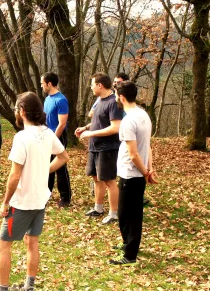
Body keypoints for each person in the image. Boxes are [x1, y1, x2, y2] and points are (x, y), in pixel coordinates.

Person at [0, 92, 69, 291]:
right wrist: (44, 170)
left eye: (18, 109)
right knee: (32, 241)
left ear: (23, 112)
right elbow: (63, 157)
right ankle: (28, 287)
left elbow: (14, 176)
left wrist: (5, 201)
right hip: (40, 200)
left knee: (2, 244)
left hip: (22, 203)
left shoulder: (22, 138)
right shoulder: (47, 133)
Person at [111, 82, 157, 265]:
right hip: (138, 173)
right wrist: (149, 169)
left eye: (116, 95)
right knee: (132, 214)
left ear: (121, 97)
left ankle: (129, 255)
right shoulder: (143, 114)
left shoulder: (129, 120)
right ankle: (128, 245)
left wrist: (146, 171)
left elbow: (134, 153)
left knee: (127, 216)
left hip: (131, 174)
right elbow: (148, 146)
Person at [75, 74, 123, 225]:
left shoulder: (113, 102)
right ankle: (98, 208)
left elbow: (115, 127)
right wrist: (85, 128)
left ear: (100, 85)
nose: (91, 87)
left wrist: (91, 133)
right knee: (96, 178)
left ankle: (114, 213)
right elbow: (99, 121)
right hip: (95, 147)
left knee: (109, 181)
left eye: (92, 84)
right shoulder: (99, 101)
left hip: (107, 147)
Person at [41, 72, 72, 207]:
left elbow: (62, 124)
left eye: (42, 83)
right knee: (47, 165)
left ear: (49, 84)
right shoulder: (47, 99)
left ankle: (65, 197)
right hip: (47, 135)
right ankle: (45, 194)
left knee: (60, 167)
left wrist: (53, 139)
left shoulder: (61, 100)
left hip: (58, 136)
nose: (41, 86)